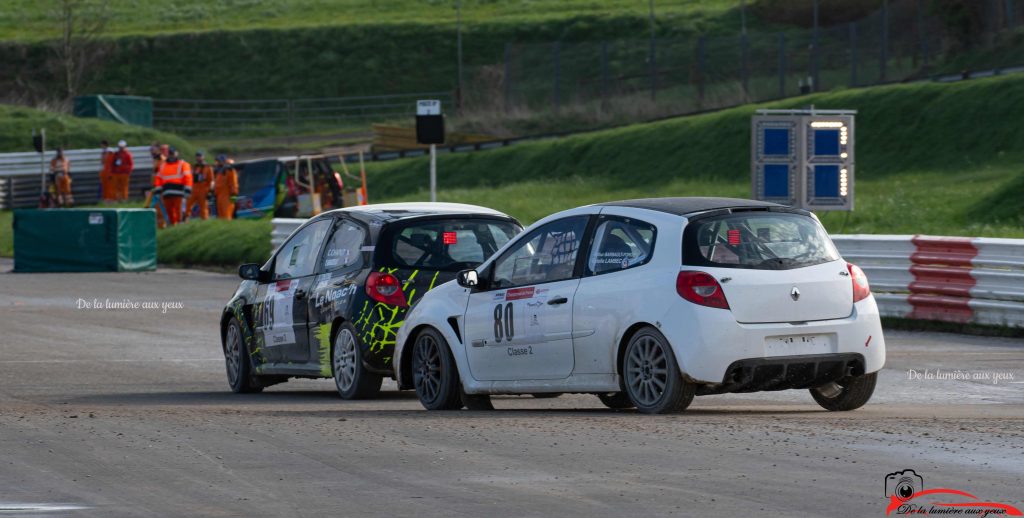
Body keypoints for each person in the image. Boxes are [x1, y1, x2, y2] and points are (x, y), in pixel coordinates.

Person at [153, 147, 193, 227]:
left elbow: (188, 177)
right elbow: (158, 179)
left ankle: (180, 227)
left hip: (179, 193)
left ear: (176, 154)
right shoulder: (163, 166)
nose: (171, 156)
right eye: (170, 154)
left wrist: (188, 190)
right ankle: (173, 226)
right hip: (167, 193)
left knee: (179, 212)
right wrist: (158, 191)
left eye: (172, 154)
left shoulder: (183, 164)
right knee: (169, 212)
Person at [186, 150, 213, 220]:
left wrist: (210, 191)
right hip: (194, 189)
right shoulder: (194, 167)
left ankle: (204, 222)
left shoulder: (208, 167)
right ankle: (185, 220)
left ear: (203, 157)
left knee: (204, 208)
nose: (198, 158)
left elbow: (211, 180)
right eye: (197, 156)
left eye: (200, 156)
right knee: (187, 206)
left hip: (203, 190)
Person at [213, 154, 238, 220]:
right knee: (221, 218)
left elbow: (234, 185)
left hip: (227, 197)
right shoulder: (219, 172)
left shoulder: (230, 170)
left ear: (223, 161)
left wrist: (233, 199)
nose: (217, 163)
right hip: (219, 198)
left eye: (219, 161)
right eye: (217, 161)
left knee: (227, 217)